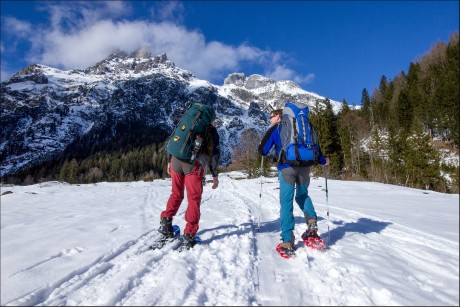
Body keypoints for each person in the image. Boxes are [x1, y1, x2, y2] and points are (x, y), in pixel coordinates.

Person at [258, 104, 330, 255]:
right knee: (303, 195)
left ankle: (287, 241)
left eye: (271, 117)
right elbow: (314, 145)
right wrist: (323, 161)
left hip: (286, 168)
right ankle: (312, 225)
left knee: (286, 201)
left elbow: (262, 150)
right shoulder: (305, 126)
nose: (270, 119)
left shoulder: (278, 127)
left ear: (279, 116)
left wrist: (263, 146)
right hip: (305, 166)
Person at [159, 120, 220, 250]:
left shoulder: (186, 124)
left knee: (176, 193)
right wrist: (215, 175)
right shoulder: (211, 130)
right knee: (193, 199)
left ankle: (166, 225)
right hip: (194, 165)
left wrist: (169, 161)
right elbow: (214, 153)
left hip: (175, 160)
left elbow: (173, 141)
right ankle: (189, 235)